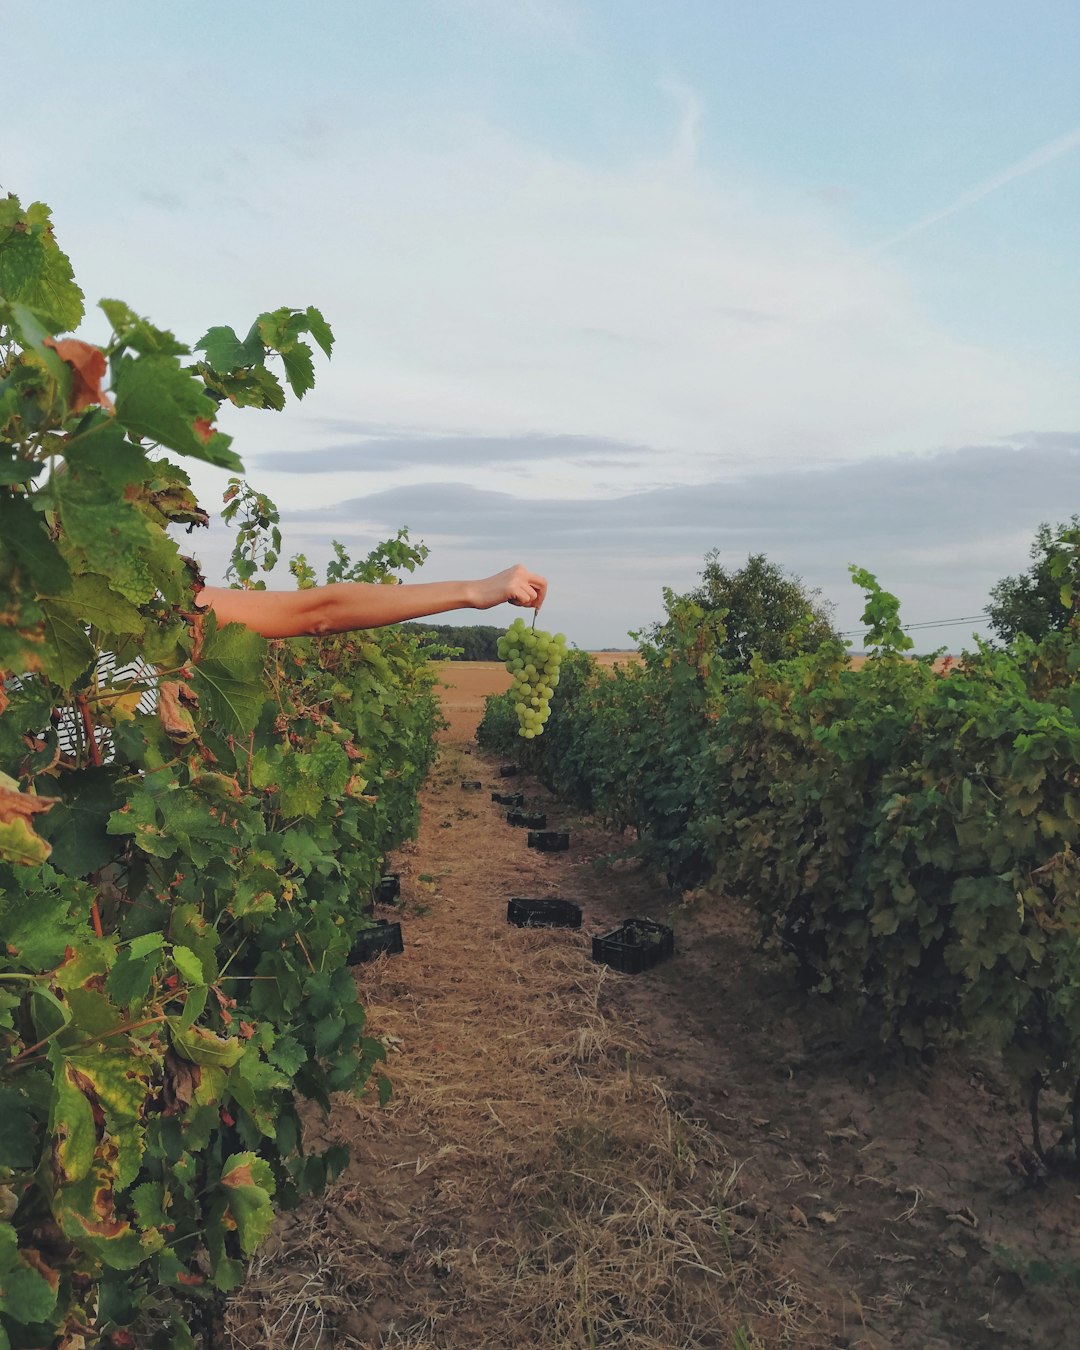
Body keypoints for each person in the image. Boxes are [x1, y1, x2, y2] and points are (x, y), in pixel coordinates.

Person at [193, 563, 547, 639]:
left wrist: (472, 591)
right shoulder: (156, 602)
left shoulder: (161, 601)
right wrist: (472, 591)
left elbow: (321, 612)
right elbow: (319, 614)